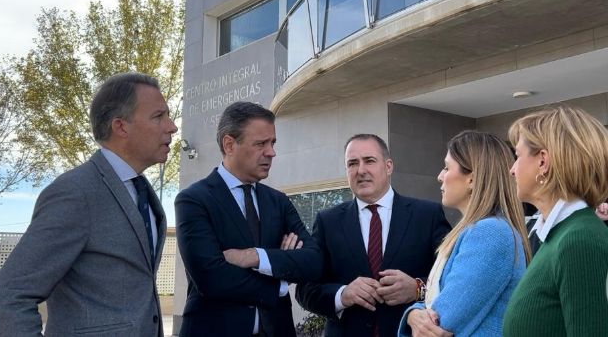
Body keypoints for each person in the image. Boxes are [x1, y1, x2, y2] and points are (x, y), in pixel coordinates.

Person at [0, 72, 177, 336]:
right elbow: (8, 300)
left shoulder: (142, 191)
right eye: (159, 116)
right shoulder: (75, 192)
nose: (172, 126)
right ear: (121, 127)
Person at [175, 101, 322, 337]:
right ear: (229, 144)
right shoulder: (193, 200)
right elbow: (211, 278)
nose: (271, 152)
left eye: (272, 143)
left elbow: (314, 261)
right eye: (261, 143)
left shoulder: (278, 201)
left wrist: (255, 256)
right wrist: (281, 279)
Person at [296, 134, 451, 337]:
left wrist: (417, 288)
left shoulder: (427, 215)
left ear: (388, 166)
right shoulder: (328, 221)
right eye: (352, 163)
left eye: (369, 161)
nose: (361, 170)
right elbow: (305, 289)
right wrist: (343, 295)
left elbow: (453, 276)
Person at [399, 130, 530, 336]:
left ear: (472, 179)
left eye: (446, 167)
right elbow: (439, 306)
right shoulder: (480, 229)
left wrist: (415, 314)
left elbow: (442, 321)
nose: (440, 176)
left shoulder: (490, 233)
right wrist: (413, 313)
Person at [503, 106, 608, 336]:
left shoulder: (579, 240)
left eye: (517, 156)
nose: (512, 170)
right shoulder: (557, 236)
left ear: (543, 162)